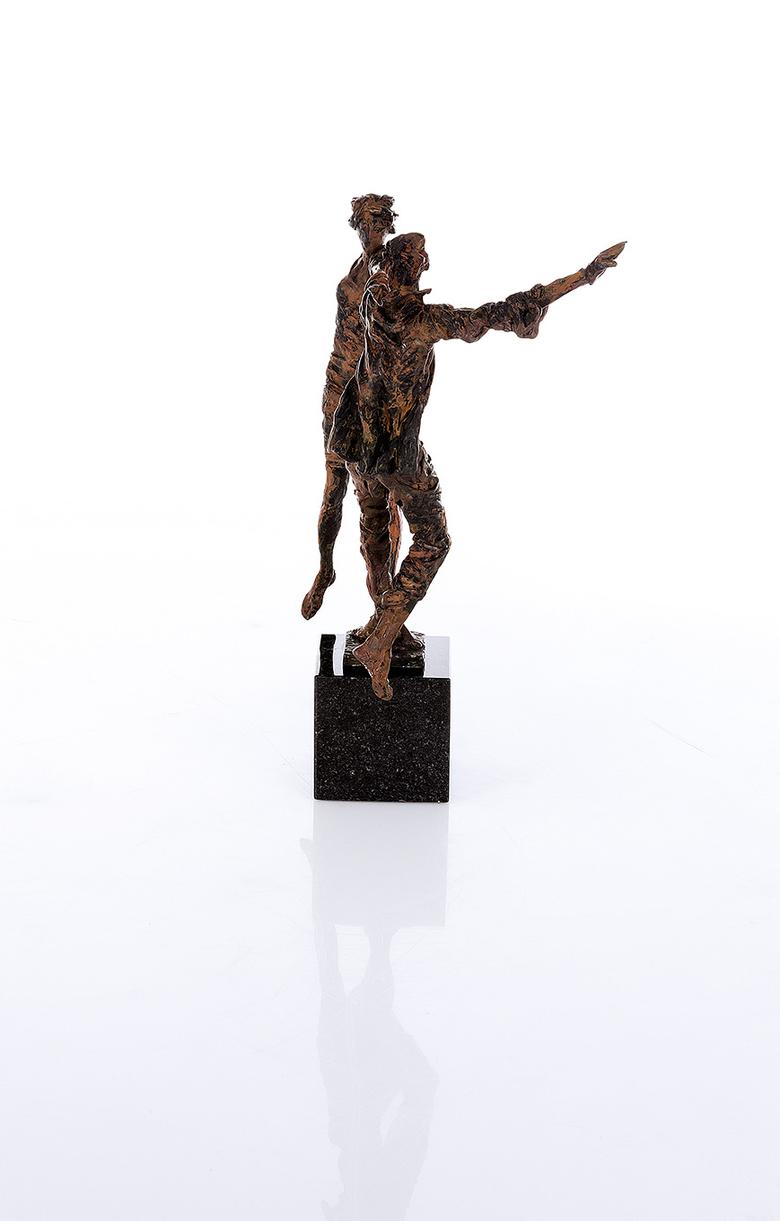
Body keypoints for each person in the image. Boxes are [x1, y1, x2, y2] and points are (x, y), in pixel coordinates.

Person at [329, 231, 620, 699]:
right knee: (433, 540)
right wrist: (582, 278)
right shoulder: (424, 321)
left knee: (376, 527)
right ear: (409, 266)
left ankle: (382, 625)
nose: (426, 262)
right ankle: (380, 641)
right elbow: (494, 314)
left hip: (360, 443)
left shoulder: (371, 302)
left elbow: (372, 282)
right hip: (396, 450)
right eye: (420, 257)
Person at [301, 194, 401, 621]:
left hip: (365, 399)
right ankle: (325, 568)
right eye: (366, 220)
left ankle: (385, 610)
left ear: (389, 225)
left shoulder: (390, 271)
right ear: (356, 224)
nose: (373, 228)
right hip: (335, 387)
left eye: (380, 220)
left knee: (376, 503)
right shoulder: (358, 268)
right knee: (332, 487)